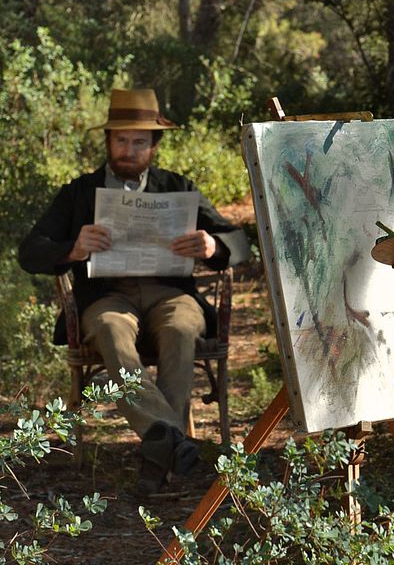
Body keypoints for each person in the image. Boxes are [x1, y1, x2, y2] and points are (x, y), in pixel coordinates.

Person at [18, 88, 250, 494]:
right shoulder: (80, 191)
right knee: (110, 329)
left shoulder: (177, 186)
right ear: (108, 141)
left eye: (139, 142)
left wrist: (212, 245)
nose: (129, 150)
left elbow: (240, 241)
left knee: (180, 329)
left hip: (171, 293)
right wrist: (72, 248)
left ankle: (159, 456)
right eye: (121, 140)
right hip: (107, 297)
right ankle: (174, 444)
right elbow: (30, 251)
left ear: (154, 146)